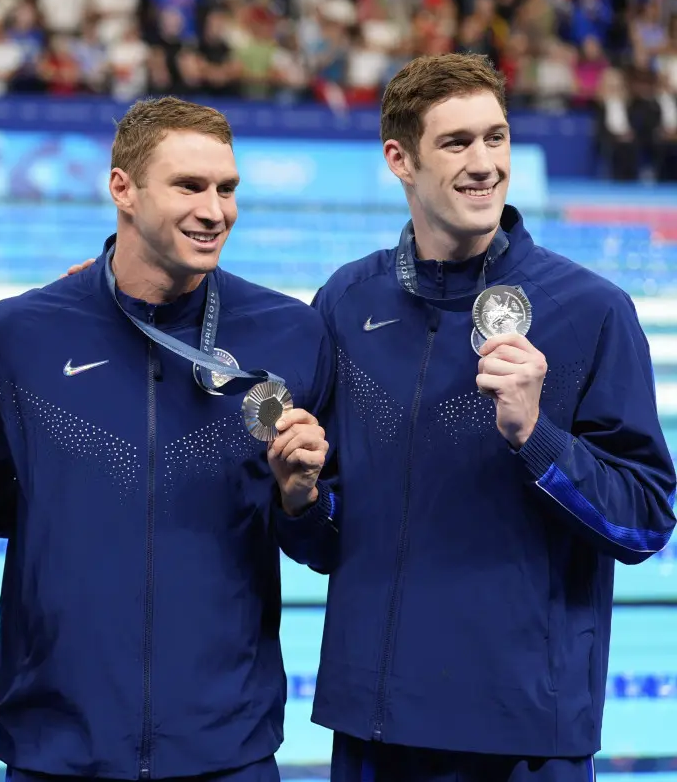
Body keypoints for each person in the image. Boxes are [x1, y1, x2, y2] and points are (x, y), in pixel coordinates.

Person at [279, 52, 677, 781]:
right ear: (399, 159)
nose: (485, 163)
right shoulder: (347, 301)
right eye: (457, 143)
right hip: (375, 722)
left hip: (523, 735)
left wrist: (537, 434)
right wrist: (300, 497)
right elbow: (326, 536)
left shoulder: (591, 311)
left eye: (496, 138)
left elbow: (647, 521)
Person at [0, 96, 333, 781]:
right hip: (59, 745)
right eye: (189, 186)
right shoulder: (18, 335)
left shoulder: (290, 333)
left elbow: (326, 544)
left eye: (227, 189)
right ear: (122, 189)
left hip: (225, 746)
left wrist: (300, 498)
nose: (214, 209)